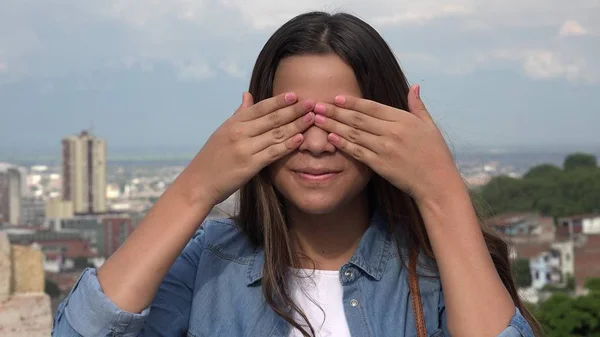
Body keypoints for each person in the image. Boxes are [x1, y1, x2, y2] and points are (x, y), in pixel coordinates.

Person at [52, 11, 541, 337]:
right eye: (291, 120)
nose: (314, 143)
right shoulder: (209, 263)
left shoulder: (436, 272)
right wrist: (197, 186)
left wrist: (441, 190)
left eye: (342, 122)